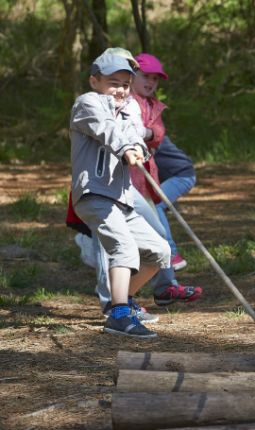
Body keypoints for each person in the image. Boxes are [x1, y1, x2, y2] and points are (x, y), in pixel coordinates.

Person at [69, 52, 170, 338]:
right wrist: (126, 147)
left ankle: (122, 303)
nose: (121, 90)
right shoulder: (87, 104)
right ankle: (120, 314)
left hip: (121, 198)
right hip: (95, 194)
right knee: (123, 249)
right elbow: (107, 130)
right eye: (114, 83)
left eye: (126, 84)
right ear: (94, 81)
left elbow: (133, 134)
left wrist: (138, 147)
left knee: (160, 251)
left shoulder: (126, 109)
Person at [131, 52, 197, 272]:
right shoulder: (128, 102)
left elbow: (157, 133)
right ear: (131, 74)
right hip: (152, 175)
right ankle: (163, 277)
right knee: (148, 205)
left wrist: (146, 133)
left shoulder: (151, 107)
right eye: (146, 76)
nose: (151, 82)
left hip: (181, 174)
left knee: (155, 203)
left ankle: (171, 253)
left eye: (155, 79)